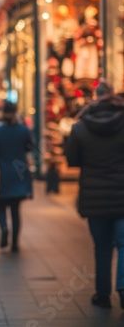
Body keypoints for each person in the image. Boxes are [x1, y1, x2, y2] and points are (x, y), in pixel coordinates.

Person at [66, 81, 124, 309]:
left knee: (102, 246)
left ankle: (102, 295)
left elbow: (72, 160)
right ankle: (122, 286)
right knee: (123, 242)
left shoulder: (80, 127)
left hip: (94, 195)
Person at [0, 101, 33, 252]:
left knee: (0, 206)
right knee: (15, 210)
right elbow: (30, 147)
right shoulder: (23, 130)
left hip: (1, 173)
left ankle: (4, 228)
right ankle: (15, 243)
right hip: (18, 173)